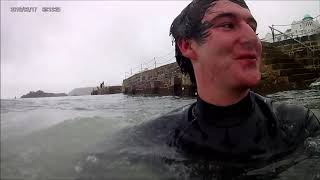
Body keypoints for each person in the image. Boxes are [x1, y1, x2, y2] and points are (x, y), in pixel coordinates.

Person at [164, 0, 320, 164]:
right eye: (228, 25)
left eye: (253, 28)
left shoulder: (299, 126)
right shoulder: (153, 139)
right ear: (187, 45)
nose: (253, 39)